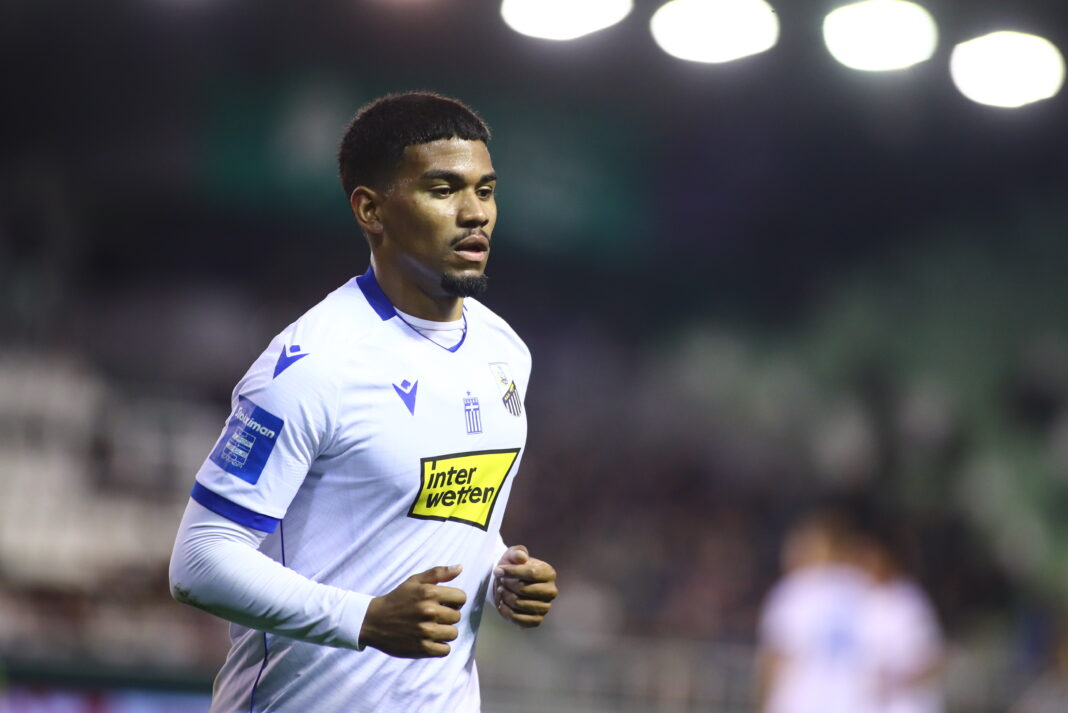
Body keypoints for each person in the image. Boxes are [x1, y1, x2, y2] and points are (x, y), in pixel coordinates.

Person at [169, 92, 558, 713]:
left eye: (485, 191)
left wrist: (500, 571)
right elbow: (199, 560)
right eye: (442, 189)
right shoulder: (312, 365)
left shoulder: (504, 351)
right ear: (370, 209)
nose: (475, 213)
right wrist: (365, 618)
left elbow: (438, 516)